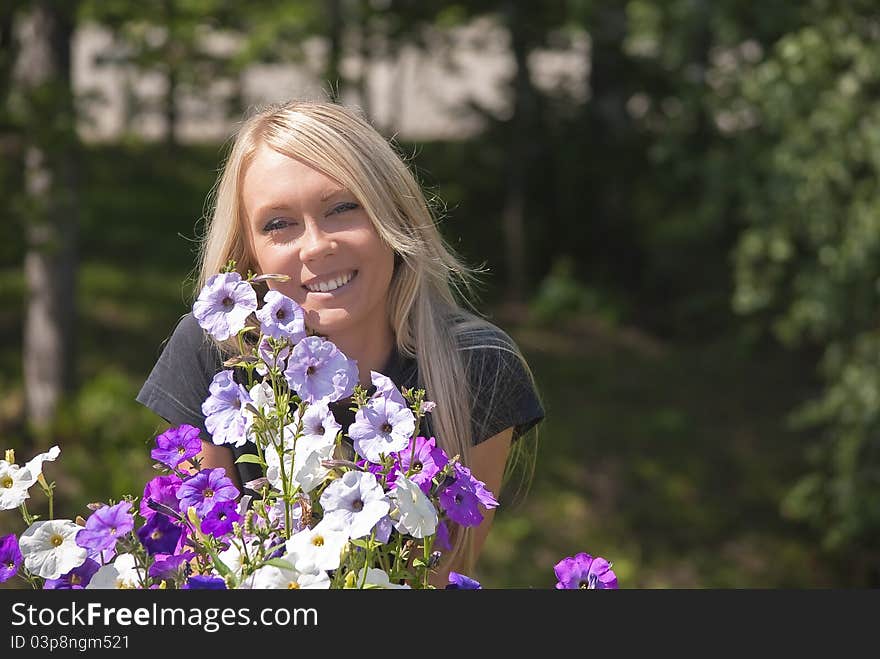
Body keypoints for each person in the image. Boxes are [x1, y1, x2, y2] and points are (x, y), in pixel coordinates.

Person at [136, 99, 544, 585]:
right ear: (249, 253)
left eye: (343, 208)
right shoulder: (215, 351)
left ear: (393, 217)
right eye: (279, 224)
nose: (316, 245)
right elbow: (204, 567)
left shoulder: (475, 366)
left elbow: (435, 582)